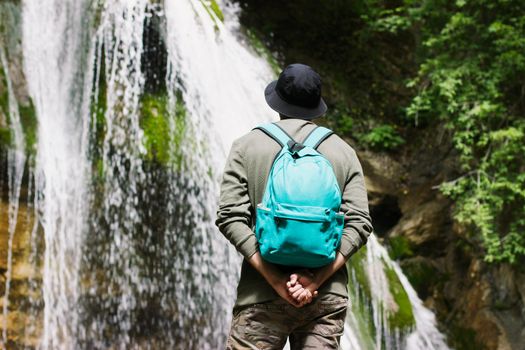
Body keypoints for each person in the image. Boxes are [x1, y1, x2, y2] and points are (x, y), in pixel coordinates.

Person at [216, 63, 373, 349]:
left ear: (277, 102)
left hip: (261, 295)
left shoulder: (246, 146)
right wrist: (315, 281)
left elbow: (230, 217)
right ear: (317, 107)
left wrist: (275, 280)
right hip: (325, 298)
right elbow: (360, 223)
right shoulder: (343, 152)